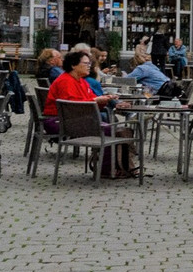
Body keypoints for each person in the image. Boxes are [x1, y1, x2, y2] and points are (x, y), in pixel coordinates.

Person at [43, 50, 133, 178]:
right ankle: (106, 170)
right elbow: (73, 106)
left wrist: (107, 100)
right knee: (109, 130)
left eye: (89, 63)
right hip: (60, 121)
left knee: (117, 129)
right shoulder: (66, 81)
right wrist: (96, 100)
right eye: (85, 63)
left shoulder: (81, 81)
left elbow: (90, 101)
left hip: (74, 119)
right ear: (74, 65)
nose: (89, 66)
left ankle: (121, 166)